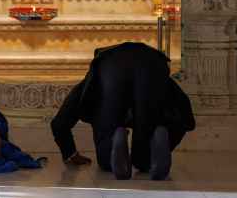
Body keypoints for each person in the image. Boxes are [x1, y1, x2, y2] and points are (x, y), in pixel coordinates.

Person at [50, 42, 194, 180]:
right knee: (144, 157)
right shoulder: (151, 62)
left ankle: (115, 141)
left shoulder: (101, 69)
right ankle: (154, 143)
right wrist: (171, 138)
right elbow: (183, 107)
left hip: (111, 68)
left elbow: (66, 112)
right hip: (153, 63)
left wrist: (69, 151)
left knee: (106, 159)